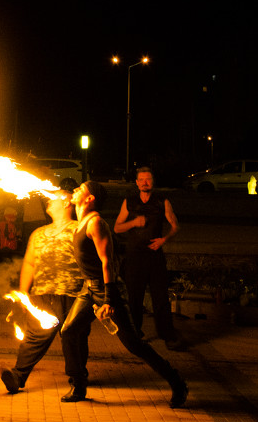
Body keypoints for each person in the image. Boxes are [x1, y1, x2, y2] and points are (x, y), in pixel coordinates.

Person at [60, 180, 188, 408]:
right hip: (88, 289)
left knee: (134, 345)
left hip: (106, 291)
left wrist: (109, 300)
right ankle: (78, 385)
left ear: (90, 198)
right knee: (69, 331)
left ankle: (177, 382)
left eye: (81, 189)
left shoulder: (95, 223)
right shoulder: (79, 223)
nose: (75, 190)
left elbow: (107, 262)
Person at [0, 191, 90, 397]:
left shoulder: (80, 229)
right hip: (42, 294)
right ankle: (17, 376)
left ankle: (78, 379)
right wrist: (23, 294)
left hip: (73, 294)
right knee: (34, 337)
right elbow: (30, 263)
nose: (48, 200)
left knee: (74, 339)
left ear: (67, 202)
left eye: (54, 197)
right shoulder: (38, 233)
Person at [114, 167, 184, 349]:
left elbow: (175, 226)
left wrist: (164, 240)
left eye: (148, 179)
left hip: (154, 257)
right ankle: (135, 334)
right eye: (141, 179)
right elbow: (117, 228)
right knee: (134, 298)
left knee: (160, 297)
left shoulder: (162, 201)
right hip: (134, 257)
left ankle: (167, 334)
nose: (145, 182)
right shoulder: (129, 202)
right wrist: (134, 222)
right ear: (137, 182)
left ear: (153, 182)